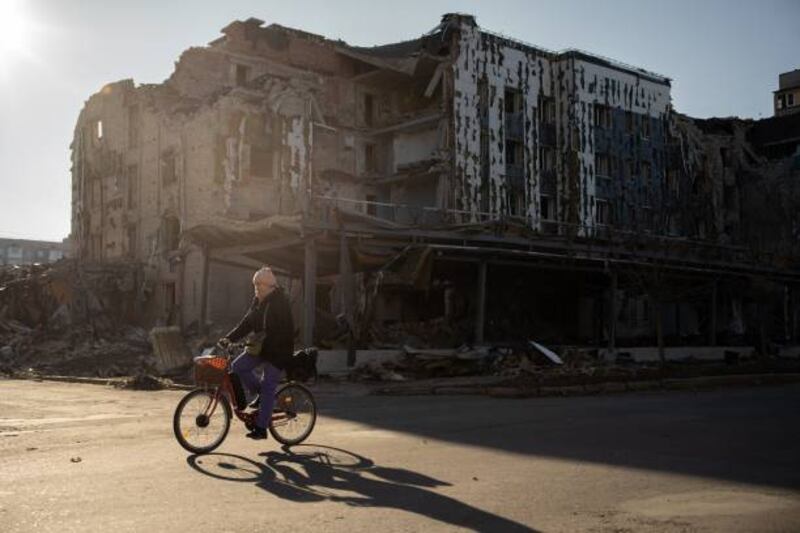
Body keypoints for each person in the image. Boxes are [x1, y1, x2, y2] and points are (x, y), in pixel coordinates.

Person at [221, 266, 294, 440]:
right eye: (255, 285)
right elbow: (246, 323)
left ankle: (261, 428)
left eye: (260, 285)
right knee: (238, 366)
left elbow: (286, 331)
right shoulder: (257, 301)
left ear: (270, 286)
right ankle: (262, 395)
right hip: (262, 347)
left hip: (279, 350)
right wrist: (229, 338)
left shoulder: (280, 302)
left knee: (269, 385)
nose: (257, 288)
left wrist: (267, 344)